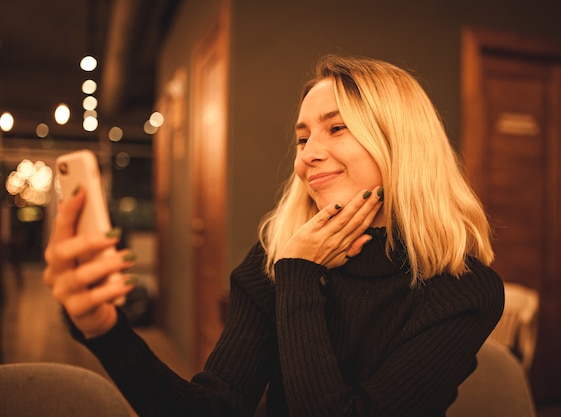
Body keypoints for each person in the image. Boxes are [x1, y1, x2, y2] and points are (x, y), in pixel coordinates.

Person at [44, 55, 504, 417]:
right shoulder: (275, 255)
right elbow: (214, 410)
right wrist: (105, 331)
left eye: (336, 128)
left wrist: (300, 277)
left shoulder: (463, 289)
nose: (306, 157)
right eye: (302, 139)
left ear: (401, 143)